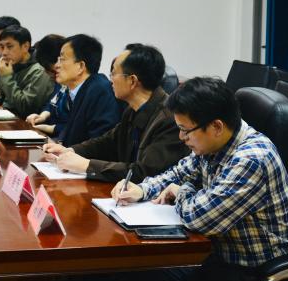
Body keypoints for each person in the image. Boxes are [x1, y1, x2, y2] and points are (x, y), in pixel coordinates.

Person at [112, 77, 288, 281]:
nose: (181, 138)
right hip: (228, 269)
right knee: (143, 275)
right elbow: (179, 172)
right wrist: (142, 189)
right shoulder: (216, 143)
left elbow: (200, 218)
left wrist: (182, 191)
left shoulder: (251, 159)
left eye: (185, 130)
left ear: (216, 126)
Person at [41, 43, 187, 182]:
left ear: (132, 81)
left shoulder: (170, 119)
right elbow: (108, 142)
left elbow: (144, 172)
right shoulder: (132, 109)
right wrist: (70, 151)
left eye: (114, 73)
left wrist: (87, 166)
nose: (110, 80)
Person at [33, 34, 120, 146]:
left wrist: (67, 150)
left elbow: (101, 143)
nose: (57, 65)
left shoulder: (100, 90)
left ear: (81, 66)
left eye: (62, 59)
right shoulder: (78, 90)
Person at [0, 25, 54, 117]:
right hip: (5, 116)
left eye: (9, 46)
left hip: (24, 123)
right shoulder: (12, 64)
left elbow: (27, 109)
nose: (4, 53)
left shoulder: (40, 71)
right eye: (2, 47)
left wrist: (6, 77)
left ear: (25, 46)